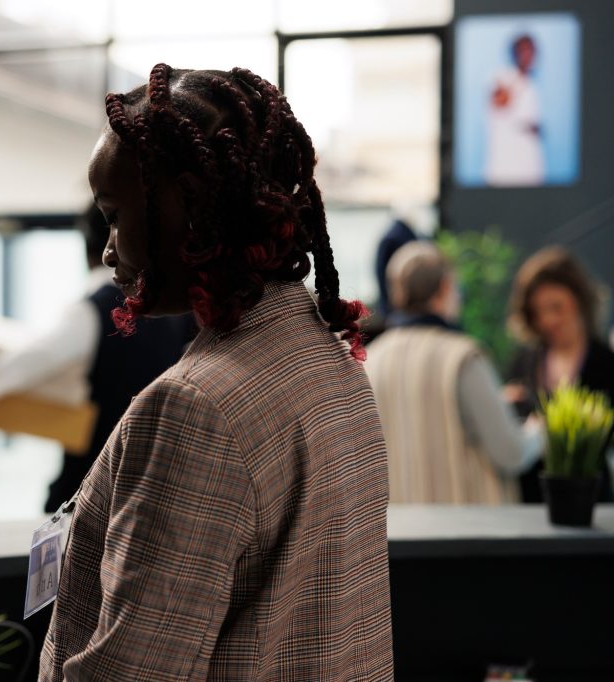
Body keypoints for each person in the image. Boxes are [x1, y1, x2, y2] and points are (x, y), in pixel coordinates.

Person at [40, 64, 393, 680]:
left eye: (115, 215)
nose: (108, 249)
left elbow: (135, 672)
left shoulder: (195, 408)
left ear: (188, 204)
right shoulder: (330, 360)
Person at [0, 205, 194, 512]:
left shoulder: (97, 308)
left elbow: (37, 357)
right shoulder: (177, 311)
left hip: (96, 475)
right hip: (156, 475)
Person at [364, 241, 540, 504]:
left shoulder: (370, 360)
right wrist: (539, 432)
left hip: (399, 524)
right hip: (464, 524)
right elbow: (511, 452)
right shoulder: (463, 357)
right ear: (445, 287)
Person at [506, 246, 614, 501]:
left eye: (557, 307)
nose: (548, 320)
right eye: (538, 312)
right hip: (531, 499)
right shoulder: (524, 362)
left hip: (589, 500)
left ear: (579, 301)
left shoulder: (606, 363)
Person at [485, 33, 544, 186]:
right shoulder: (503, 78)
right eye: (524, 50)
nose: (528, 55)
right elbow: (499, 104)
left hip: (528, 161)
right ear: (514, 53)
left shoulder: (531, 83)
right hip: (507, 162)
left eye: (531, 50)